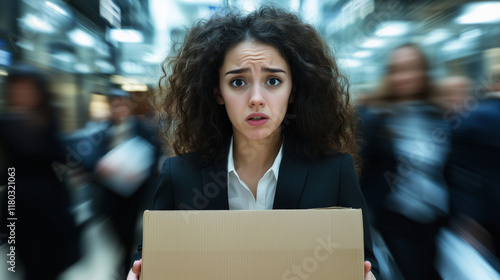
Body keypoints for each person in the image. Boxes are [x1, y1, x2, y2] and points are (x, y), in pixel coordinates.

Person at [127, 6, 379, 280]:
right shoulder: (180, 176)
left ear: (293, 90)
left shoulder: (334, 173)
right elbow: (152, 255)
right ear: (218, 93)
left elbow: (361, 260)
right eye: (238, 82)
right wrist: (139, 271)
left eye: (273, 80)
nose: (256, 98)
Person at [358, 43, 449, 280]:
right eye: (397, 70)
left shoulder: (438, 115)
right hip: (394, 221)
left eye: (411, 68)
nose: (404, 77)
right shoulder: (374, 119)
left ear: (424, 72)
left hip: (437, 222)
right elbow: (362, 174)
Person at [0, 64, 81, 279]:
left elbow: (59, 159)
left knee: (50, 265)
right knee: (30, 263)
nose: (22, 94)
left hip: (50, 205)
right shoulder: (7, 123)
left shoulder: (49, 120)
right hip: (20, 205)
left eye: (28, 88)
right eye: (18, 89)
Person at [91, 88, 161, 277]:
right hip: (111, 191)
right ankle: (124, 257)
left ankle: (124, 266)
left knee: (128, 229)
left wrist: (144, 169)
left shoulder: (142, 128)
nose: (119, 108)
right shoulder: (103, 131)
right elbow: (91, 157)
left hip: (134, 191)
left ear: (128, 106)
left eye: (122, 104)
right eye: (115, 105)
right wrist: (99, 166)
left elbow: (156, 150)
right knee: (115, 227)